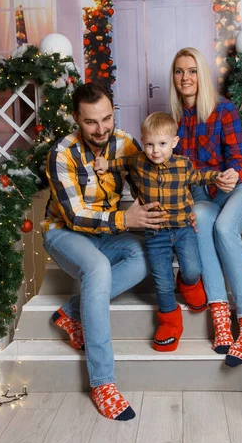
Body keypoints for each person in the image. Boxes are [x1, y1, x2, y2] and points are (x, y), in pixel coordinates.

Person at [42, 82, 167, 421]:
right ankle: (102, 383)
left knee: (145, 257)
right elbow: (75, 215)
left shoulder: (126, 144)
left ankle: (70, 312)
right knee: (97, 268)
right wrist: (125, 217)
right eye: (91, 122)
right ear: (75, 119)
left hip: (109, 231)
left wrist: (171, 212)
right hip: (64, 234)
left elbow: (149, 184)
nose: (101, 129)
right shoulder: (61, 153)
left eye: (107, 119)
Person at [95, 112, 222, 352]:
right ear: (143, 143)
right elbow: (123, 163)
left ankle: (189, 283)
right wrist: (106, 165)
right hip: (155, 233)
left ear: (174, 142)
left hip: (183, 229)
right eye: (150, 144)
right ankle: (170, 322)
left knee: (193, 267)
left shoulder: (183, 165)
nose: (155, 150)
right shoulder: (139, 161)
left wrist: (217, 177)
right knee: (162, 281)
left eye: (162, 144)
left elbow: (199, 177)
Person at [169, 47, 242, 367]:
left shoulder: (224, 109)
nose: (186, 78)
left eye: (192, 70)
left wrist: (233, 172)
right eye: (179, 72)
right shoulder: (174, 122)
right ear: (174, 78)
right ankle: (221, 316)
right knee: (201, 219)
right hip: (204, 197)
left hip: (237, 191)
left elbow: (239, 159)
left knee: (224, 228)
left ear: (201, 74)